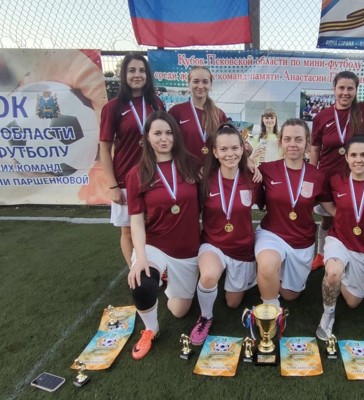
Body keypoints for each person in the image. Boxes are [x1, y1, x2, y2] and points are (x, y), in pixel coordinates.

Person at [126, 111, 201, 359]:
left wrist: (250, 163)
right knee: (142, 284)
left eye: (169, 133)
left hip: (187, 249)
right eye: (157, 133)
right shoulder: (137, 174)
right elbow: (136, 221)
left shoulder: (191, 165)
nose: (164, 138)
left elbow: (225, 166)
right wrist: (140, 258)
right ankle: (151, 329)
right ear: (147, 137)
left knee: (179, 311)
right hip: (155, 244)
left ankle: (168, 278)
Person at [189, 124, 260, 345]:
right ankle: (205, 317)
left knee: (232, 303)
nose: (230, 154)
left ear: (243, 149)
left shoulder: (253, 178)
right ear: (215, 152)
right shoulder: (205, 179)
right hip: (214, 244)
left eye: (235, 148)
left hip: (242, 248)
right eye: (224, 149)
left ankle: (242, 276)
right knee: (209, 276)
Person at [316, 135, 364, 340]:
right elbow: (324, 199)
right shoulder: (336, 181)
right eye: (354, 155)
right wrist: (337, 214)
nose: (358, 160)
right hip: (339, 239)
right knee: (333, 273)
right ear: (347, 157)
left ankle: (342, 273)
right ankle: (328, 314)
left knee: (352, 302)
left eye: (363, 155)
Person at [255, 118, 333, 306]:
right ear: (281, 141)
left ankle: (271, 274)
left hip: (301, 240)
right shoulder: (266, 170)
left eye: (298, 139)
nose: (292, 144)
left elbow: (331, 208)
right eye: (287, 139)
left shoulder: (317, 176)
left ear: (307, 142)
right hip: (272, 234)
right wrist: (248, 162)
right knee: (267, 264)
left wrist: (357, 220)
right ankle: (270, 310)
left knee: (291, 295)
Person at [310, 71, 364, 271]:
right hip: (328, 178)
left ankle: (357, 252)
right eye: (341, 87)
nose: (345, 92)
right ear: (334, 89)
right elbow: (315, 148)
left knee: (357, 217)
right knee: (328, 219)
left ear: (356, 90)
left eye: (350, 88)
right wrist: (312, 174)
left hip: (356, 179)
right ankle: (321, 253)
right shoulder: (322, 116)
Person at [99, 54, 164, 267]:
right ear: (124, 75)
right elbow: (105, 148)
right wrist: (112, 186)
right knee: (127, 229)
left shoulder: (156, 104)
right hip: (125, 178)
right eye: (132, 70)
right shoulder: (113, 107)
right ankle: (134, 271)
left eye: (142, 70)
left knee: (154, 226)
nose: (137, 75)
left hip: (155, 177)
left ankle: (156, 267)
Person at [168, 66, 228, 162]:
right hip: (184, 168)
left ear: (210, 85)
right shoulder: (176, 111)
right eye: (196, 81)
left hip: (212, 169)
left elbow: (226, 145)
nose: (200, 86)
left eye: (205, 82)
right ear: (189, 83)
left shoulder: (219, 114)